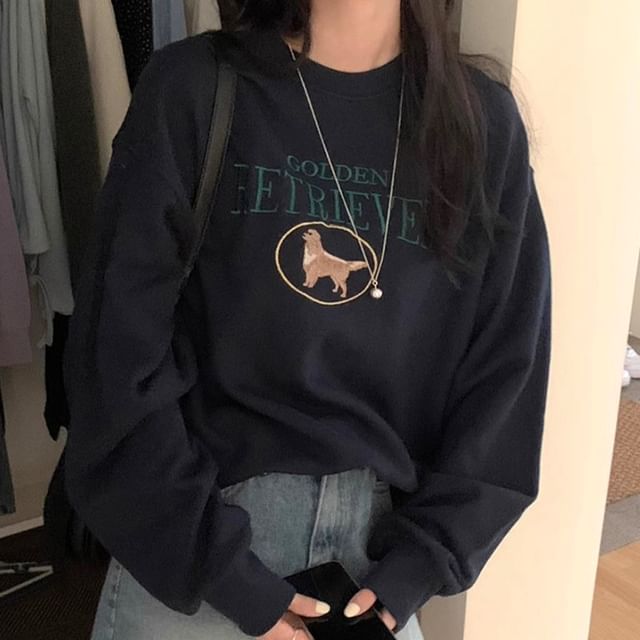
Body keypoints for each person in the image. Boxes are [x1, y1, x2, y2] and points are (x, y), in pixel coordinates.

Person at [62, 1, 552, 639]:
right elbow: (115, 359)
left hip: (371, 575)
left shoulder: (482, 125)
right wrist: (221, 570)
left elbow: (507, 379)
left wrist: (420, 563)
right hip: (195, 562)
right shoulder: (194, 88)